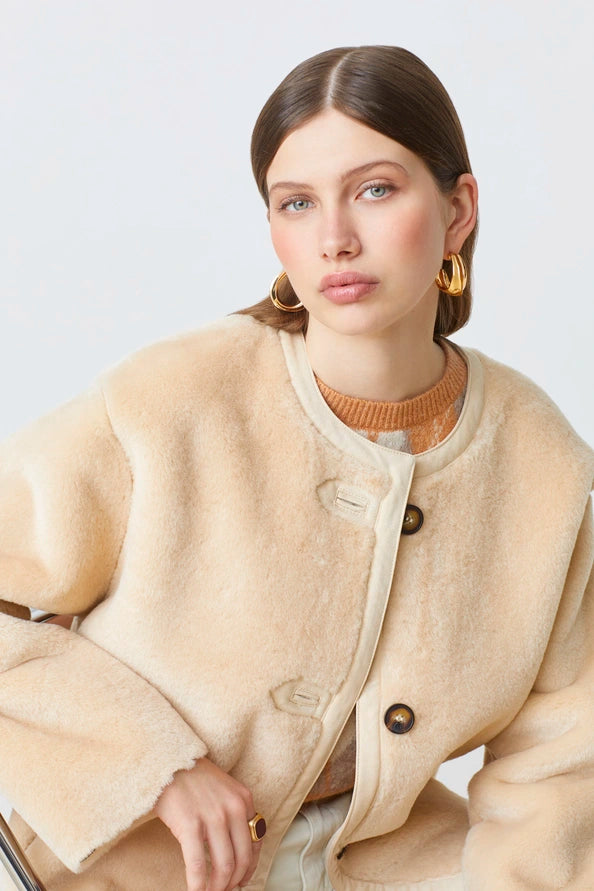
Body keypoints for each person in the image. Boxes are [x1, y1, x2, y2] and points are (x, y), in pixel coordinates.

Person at [0, 44, 593, 891]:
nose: (335, 239)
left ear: (458, 209)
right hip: (129, 867)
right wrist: (149, 766)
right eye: (298, 203)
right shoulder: (175, 400)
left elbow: (567, 759)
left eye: (375, 190)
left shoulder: (542, 464)